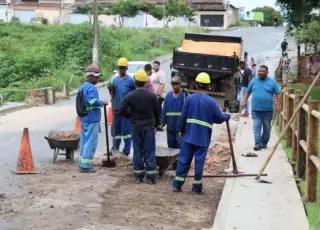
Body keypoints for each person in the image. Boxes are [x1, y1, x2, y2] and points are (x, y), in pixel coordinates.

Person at [171, 72, 231, 195]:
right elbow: (219, 118)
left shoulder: (189, 99)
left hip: (188, 136)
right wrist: (227, 116)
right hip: (203, 139)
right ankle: (196, 188)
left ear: (196, 84)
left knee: (183, 160)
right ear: (208, 86)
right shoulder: (211, 102)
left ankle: (177, 185)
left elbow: (183, 117)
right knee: (199, 162)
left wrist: (180, 130)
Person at [120, 71, 160, 184]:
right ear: (146, 83)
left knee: (137, 151)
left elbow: (121, 110)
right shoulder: (152, 96)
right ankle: (151, 178)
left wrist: (130, 115)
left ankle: (138, 176)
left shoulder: (130, 96)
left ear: (135, 82)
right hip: (149, 127)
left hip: (136, 126)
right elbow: (157, 112)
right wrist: (157, 124)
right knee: (150, 151)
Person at [242, 65, 281, 151]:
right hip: (256, 109)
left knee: (267, 128)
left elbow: (278, 93)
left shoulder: (272, 82)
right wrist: (244, 100)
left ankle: (264, 143)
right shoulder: (254, 80)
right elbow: (248, 91)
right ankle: (257, 144)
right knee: (256, 127)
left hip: (268, 110)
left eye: (263, 71)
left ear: (267, 72)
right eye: (259, 71)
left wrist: (278, 104)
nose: (260, 73)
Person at [78, 64, 108, 173]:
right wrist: (102, 102)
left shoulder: (82, 86)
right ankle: (86, 166)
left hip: (84, 117)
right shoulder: (91, 88)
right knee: (90, 142)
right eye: (96, 76)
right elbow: (92, 101)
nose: (97, 78)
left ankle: (82, 162)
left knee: (84, 141)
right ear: (90, 76)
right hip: (92, 118)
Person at [109, 57, 136, 156]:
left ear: (126, 68)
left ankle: (126, 150)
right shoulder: (114, 80)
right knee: (116, 132)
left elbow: (135, 93)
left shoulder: (130, 81)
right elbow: (112, 94)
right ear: (118, 68)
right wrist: (110, 90)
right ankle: (115, 148)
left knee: (127, 132)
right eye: (120, 68)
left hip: (126, 111)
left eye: (123, 68)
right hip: (116, 110)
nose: (121, 69)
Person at [159, 76, 185, 149]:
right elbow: (164, 110)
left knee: (179, 148)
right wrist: (162, 123)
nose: (175, 86)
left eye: (177, 84)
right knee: (170, 147)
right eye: (173, 84)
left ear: (180, 84)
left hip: (180, 129)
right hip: (170, 128)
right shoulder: (168, 96)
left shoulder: (184, 96)